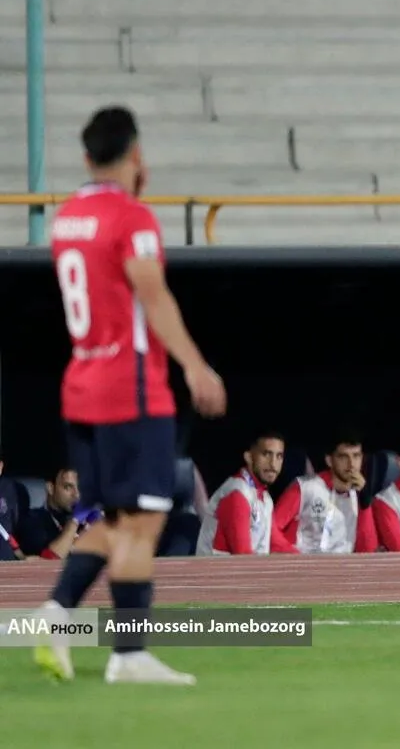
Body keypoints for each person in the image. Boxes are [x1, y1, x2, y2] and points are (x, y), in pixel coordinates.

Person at [34, 106, 226, 685]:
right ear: (137, 155)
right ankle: (127, 652)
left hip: (82, 386)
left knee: (114, 519)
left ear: (86, 156)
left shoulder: (68, 217)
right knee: (142, 521)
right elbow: (153, 295)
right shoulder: (132, 217)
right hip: (131, 390)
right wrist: (195, 366)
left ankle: (61, 616)